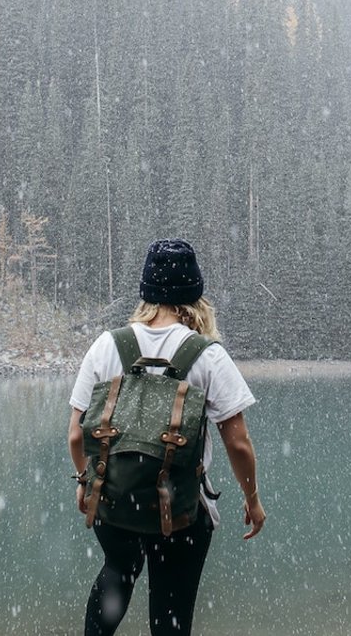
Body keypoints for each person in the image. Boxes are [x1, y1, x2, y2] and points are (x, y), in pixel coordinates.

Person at [68, 238, 266, 636]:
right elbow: (238, 443)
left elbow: (76, 434)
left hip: (115, 496)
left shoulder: (107, 345)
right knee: (170, 610)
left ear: (146, 293)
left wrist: (85, 480)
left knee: (118, 571)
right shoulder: (207, 355)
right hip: (180, 510)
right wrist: (252, 499)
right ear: (196, 295)